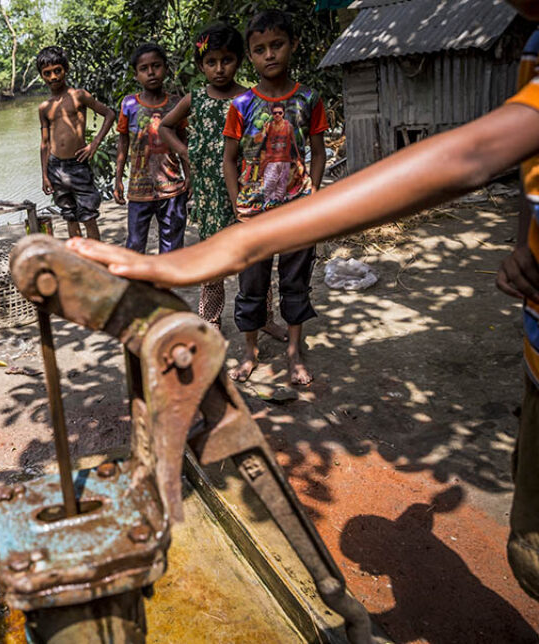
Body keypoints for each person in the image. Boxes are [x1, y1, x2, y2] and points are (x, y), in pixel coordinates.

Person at [67, 0, 539, 603]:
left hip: (276, 216)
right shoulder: (530, 52)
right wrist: (525, 238)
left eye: (267, 49)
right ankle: (251, 343)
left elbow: (470, 155)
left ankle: (289, 349)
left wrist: (222, 247)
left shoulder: (304, 99)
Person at [158, 23, 286, 341]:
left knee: (255, 260)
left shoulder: (250, 98)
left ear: (239, 61)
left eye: (226, 60)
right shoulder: (195, 99)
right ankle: (211, 319)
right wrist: (186, 153)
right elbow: (164, 127)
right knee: (214, 259)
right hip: (211, 194)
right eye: (211, 62)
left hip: (249, 190)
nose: (219, 69)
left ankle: (263, 317)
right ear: (201, 65)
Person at [223, 9, 328, 385]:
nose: (270, 55)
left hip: (297, 211)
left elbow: (318, 150)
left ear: (293, 45)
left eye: (277, 45)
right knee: (251, 285)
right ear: (250, 55)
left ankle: (294, 353)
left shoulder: (309, 99)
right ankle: (248, 351)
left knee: (296, 283)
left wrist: (313, 191)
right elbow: (230, 160)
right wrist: (237, 201)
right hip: (254, 213)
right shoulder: (241, 106)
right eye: (260, 49)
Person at [113, 43, 188, 255]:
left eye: (156, 66)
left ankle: (167, 286)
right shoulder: (128, 104)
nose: (151, 72)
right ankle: (136, 286)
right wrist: (118, 179)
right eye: (144, 69)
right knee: (135, 244)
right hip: (139, 190)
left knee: (172, 245)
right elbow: (123, 143)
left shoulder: (176, 104)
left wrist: (189, 176)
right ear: (136, 75)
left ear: (165, 68)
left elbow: (183, 142)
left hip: (172, 187)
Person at [37, 46, 116, 240]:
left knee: (88, 215)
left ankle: (96, 259)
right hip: (56, 166)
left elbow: (109, 114)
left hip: (78, 164)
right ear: (42, 76)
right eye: (47, 73)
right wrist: (44, 175)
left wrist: (94, 144)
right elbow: (45, 143)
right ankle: (77, 259)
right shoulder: (44, 108)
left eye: (57, 70)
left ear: (65, 69)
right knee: (69, 216)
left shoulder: (79, 96)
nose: (53, 77)